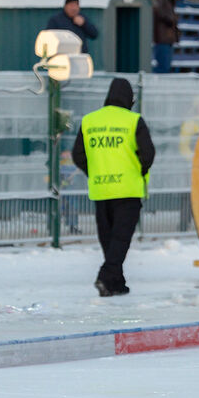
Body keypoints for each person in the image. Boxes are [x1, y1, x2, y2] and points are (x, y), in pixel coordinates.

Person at [71, 78, 154, 296]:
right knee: (120, 238)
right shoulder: (133, 121)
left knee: (108, 239)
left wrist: (94, 171)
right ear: (129, 99)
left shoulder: (90, 121)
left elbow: (78, 155)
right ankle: (106, 276)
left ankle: (116, 283)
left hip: (101, 189)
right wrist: (139, 171)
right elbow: (148, 153)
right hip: (128, 188)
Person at [151, 0, 179, 73]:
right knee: (163, 66)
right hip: (162, 35)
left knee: (166, 66)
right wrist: (170, 20)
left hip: (167, 35)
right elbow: (158, 12)